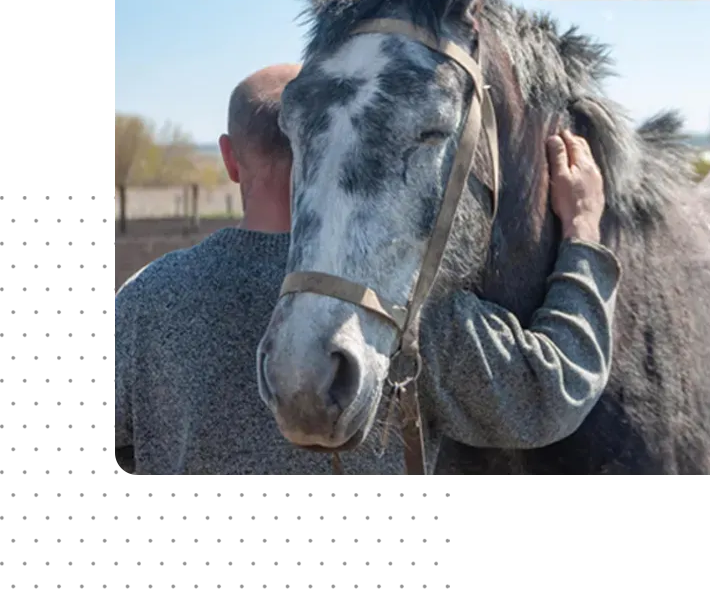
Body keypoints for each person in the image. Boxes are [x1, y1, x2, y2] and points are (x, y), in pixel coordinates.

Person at [113, 67, 621, 476]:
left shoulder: (141, 299)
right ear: (332, 144)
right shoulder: (404, 312)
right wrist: (582, 230)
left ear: (228, 158)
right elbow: (551, 392)